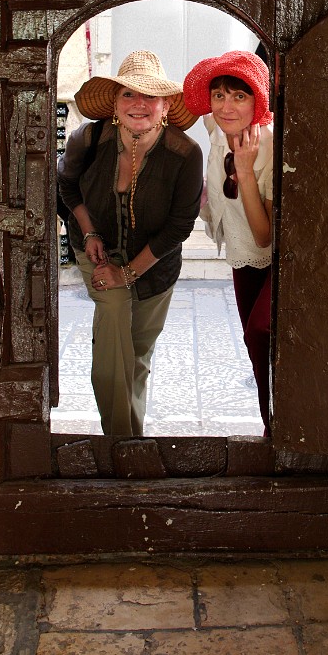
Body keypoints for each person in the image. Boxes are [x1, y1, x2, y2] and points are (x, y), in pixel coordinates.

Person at [57, 50, 203, 436]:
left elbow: (179, 225)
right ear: (115, 104)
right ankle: (120, 442)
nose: (139, 104)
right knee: (115, 313)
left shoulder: (186, 153)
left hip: (156, 264)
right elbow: (66, 186)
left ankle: (130, 437)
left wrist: (130, 271)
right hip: (95, 248)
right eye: (128, 94)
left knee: (136, 355)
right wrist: (88, 231)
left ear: (166, 105)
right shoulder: (88, 138)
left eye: (150, 96)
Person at [183, 50, 273, 435]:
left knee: (260, 331)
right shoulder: (216, 127)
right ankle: (271, 425)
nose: (226, 106)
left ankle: (287, 421)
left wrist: (246, 172)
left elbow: (265, 235)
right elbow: (179, 107)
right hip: (240, 253)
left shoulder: (270, 144)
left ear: (258, 100)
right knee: (255, 349)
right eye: (219, 95)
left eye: (240, 96)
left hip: (274, 257)